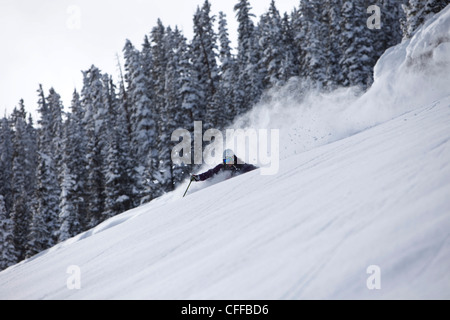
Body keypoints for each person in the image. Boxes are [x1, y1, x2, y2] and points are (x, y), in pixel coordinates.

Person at [191, 149, 258, 182]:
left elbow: (249, 168)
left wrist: (257, 170)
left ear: (234, 158)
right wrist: (198, 177)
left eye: (230, 160)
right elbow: (211, 172)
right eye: (226, 161)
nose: (229, 163)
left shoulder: (240, 164)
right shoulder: (222, 166)